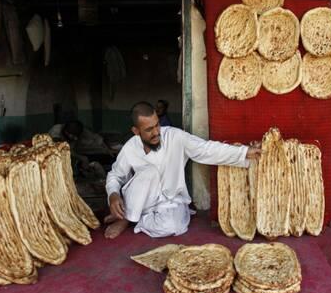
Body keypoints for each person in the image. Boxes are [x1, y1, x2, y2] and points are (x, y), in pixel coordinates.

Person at [104, 101, 261, 239]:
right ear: (136, 131)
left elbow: (206, 150)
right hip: (142, 200)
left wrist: (244, 152)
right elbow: (115, 175)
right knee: (148, 172)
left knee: (174, 227)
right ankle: (125, 219)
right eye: (149, 129)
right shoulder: (130, 147)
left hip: (169, 201)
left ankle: (133, 216)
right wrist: (113, 194)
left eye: (157, 125)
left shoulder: (175, 136)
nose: (157, 132)